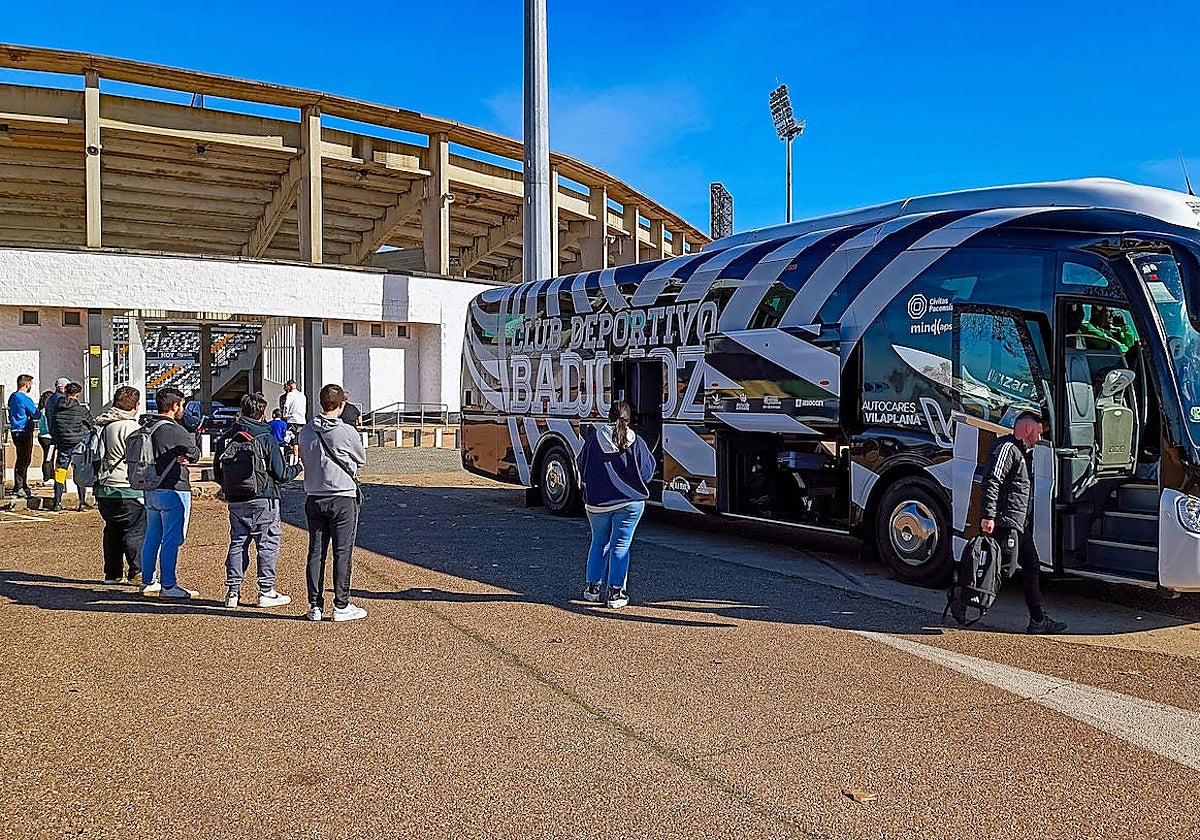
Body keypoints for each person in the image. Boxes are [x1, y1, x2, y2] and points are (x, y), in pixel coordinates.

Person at [979, 410, 1067, 634]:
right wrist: (989, 516)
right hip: (1005, 522)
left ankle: (1037, 620)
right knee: (999, 569)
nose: (1040, 438)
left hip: (1017, 523)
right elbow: (992, 481)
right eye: (1038, 432)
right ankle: (961, 599)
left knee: (1030, 566)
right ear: (1028, 429)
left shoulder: (1023, 452)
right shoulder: (1008, 449)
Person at [213, 392, 300, 609]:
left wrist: (228, 488)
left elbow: (217, 472)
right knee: (267, 544)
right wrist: (298, 468)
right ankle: (265, 590)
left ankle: (232, 592)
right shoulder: (265, 437)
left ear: (241, 412)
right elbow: (280, 473)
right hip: (264, 498)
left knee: (237, 543)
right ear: (262, 414)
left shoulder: (227, 437)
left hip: (235, 499)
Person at [298, 383, 367, 622]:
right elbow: (361, 458)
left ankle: (315, 605)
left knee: (316, 551)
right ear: (341, 404)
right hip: (342, 495)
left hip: (314, 495)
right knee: (342, 551)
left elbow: (303, 459)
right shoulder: (347, 431)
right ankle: (341, 604)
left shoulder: (305, 431)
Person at [576, 401, 655, 609]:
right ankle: (615, 593)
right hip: (630, 503)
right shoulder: (637, 442)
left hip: (597, 503)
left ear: (608, 416)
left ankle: (592, 589)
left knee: (599, 542)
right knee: (621, 545)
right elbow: (647, 473)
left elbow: (581, 466)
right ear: (629, 420)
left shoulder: (593, 439)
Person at [139, 387, 201, 599]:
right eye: (182, 405)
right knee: (172, 538)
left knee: (152, 536)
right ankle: (169, 585)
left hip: (150, 485)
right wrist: (188, 457)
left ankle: (148, 580)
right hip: (173, 487)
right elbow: (193, 451)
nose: (182, 409)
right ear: (175, 405)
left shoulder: (148, 425)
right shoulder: (174, 429)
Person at [93, 386, 145, 584]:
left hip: (103, 485)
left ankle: (113, 573)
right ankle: (137, 571)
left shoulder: (103, 425)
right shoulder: (131, 428)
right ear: (136, 405)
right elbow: (140, 457)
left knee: (112, 530)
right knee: (135, 530)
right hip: (126, 486)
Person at [48, 382, 94, 512]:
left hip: (62, 443)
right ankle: (82, 502)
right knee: (80, 471)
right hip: (78, 443)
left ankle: (57, 502)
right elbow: (91, 424)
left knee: (60, 471)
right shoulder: (81, 410)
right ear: (77, 395)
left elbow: (52, 423)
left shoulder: (57, 407)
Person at [6, 374, 41, 498]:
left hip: (15, 430)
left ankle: (23, 485)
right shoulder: (25, 398)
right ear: (27, 384)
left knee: (21, 458)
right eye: (30, 384)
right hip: (24, 431)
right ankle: (19, 487)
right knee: (24, 459)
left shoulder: (13, 397)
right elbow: (36, 414)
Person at [36, 390, 55, 486]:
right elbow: (49, 426)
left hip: (42, 436)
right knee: (48, 458)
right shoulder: (47, 411)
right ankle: (48, 478)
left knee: (48, 457)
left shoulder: (41, 410)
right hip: (48, 437)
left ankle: (49, 477)